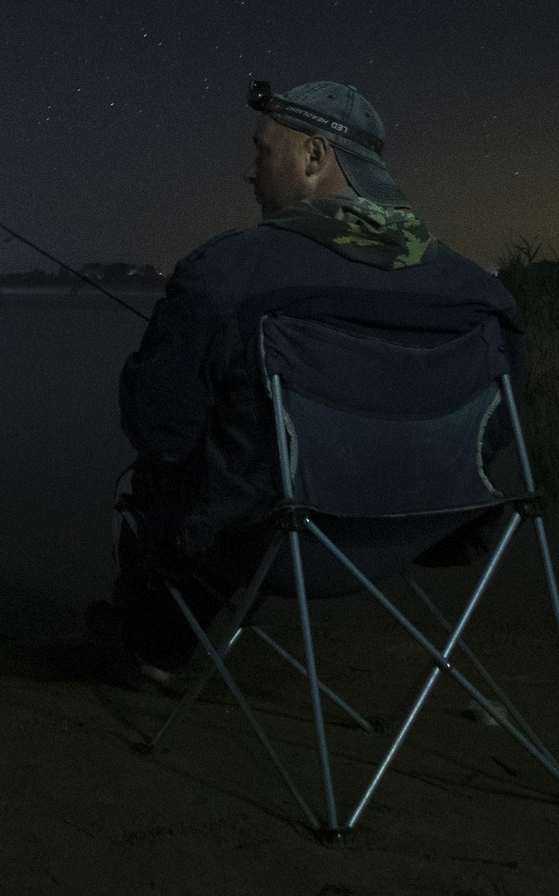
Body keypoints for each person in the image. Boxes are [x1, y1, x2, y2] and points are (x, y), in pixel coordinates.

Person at [108, 79, 522, 681]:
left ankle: (153, 656)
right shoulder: (481, 294)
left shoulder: (228, 270)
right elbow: (495, 431)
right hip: (418, 534)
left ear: (313, 157)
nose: (249, 174)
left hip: (278, 545)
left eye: (260, 153)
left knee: (158, 481)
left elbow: (158, 427)